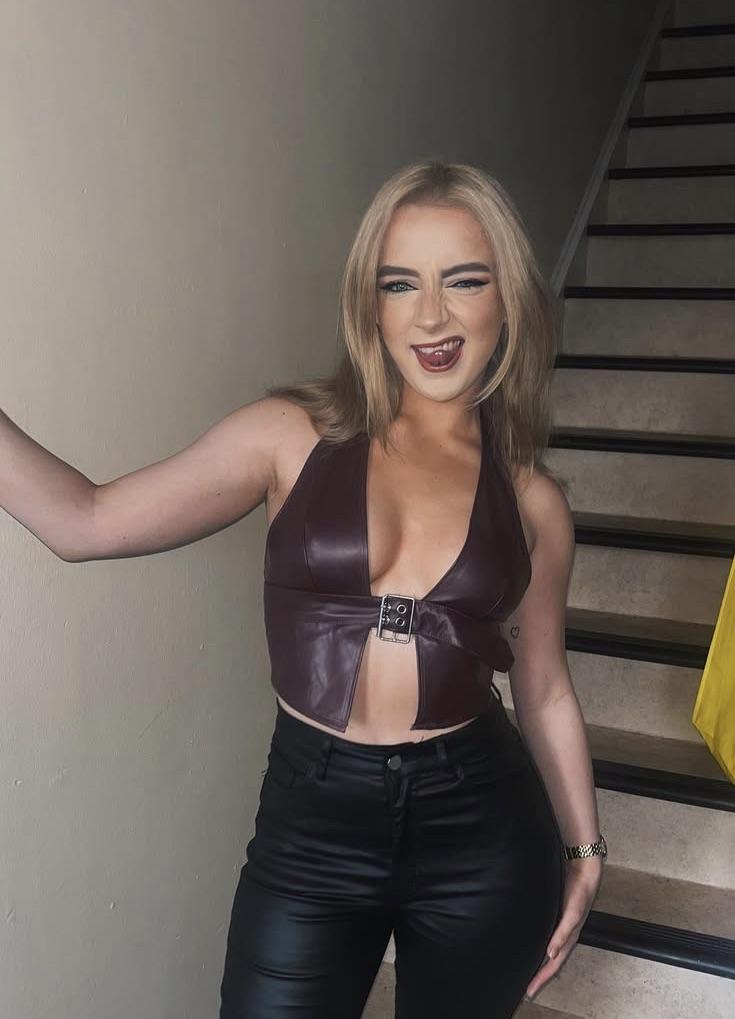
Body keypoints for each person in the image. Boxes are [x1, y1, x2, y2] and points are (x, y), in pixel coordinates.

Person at [0, 158, 605, 1018]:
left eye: (464, 280)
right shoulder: (287, 436)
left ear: (508, 297)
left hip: (481, 825)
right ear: (370, 305)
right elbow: (82, 520)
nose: (431, 315)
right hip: (312, 821)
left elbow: (542, 688)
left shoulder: (532, 499)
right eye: (400, 284)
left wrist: (583, 848)